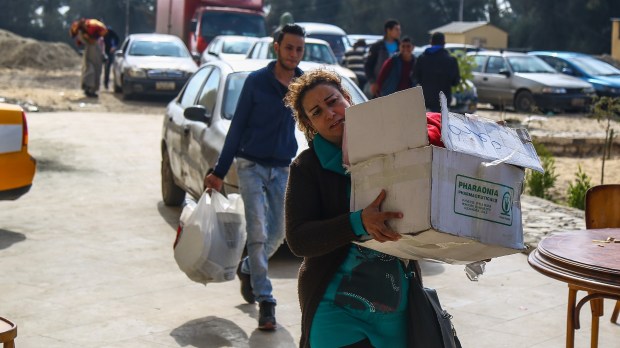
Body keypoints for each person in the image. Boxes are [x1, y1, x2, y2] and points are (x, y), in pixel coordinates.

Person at [285, 69, 434, 348]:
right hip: (334, 309)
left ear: (348, 98)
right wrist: (358, 223)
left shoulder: (395, 149)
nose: (329, 113)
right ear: (309, 123)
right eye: (316, 112)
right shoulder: (307, 168)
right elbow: (298, 238)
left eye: (332, 101)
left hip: (395, 307)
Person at [203, 23, 305, 331]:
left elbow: (314, 125)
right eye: (289, 47)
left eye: (299, 49)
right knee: (258, 232)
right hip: (251, 165)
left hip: (282, 167)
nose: (294, 54)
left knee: (280, 232)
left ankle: (248, 268)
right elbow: (236, 129)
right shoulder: (256, 82)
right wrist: (219, 171)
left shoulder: (302, 84)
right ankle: (267, 301)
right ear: (277, 47)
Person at [414, 32, 460, 112]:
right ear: (444, 43)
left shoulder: (421, 59)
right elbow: (455, 82)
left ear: (430, 43)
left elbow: (415, 78)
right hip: (443, 103)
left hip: (425, 102)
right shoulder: (451, 60)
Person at [69, 18, 108, 98]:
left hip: (96, 53)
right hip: (91, 52)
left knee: (94, 71)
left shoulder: (95, 32)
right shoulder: (84, 32)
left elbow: (96, 43)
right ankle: (88, 88)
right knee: (90, 70)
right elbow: (82, 40)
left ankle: (91, 89)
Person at [364, 19, 401, 98]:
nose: (399, 32)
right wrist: (372, 82)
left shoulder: (401, 46)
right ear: (388, 30)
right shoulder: (377, 47)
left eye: (399, 30)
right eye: (396, 29)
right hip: (380, 87)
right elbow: (368, 66)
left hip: (398, 87)